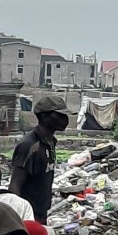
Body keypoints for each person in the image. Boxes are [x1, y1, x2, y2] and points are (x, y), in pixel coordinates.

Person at [10, 94, 70, 223]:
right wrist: (18, 219)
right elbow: (15, 185)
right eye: (59, 115)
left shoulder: (51, 142)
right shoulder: (29, 146)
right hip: (28, 216)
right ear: (44, 116)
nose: (65, 119)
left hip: (41, 213)